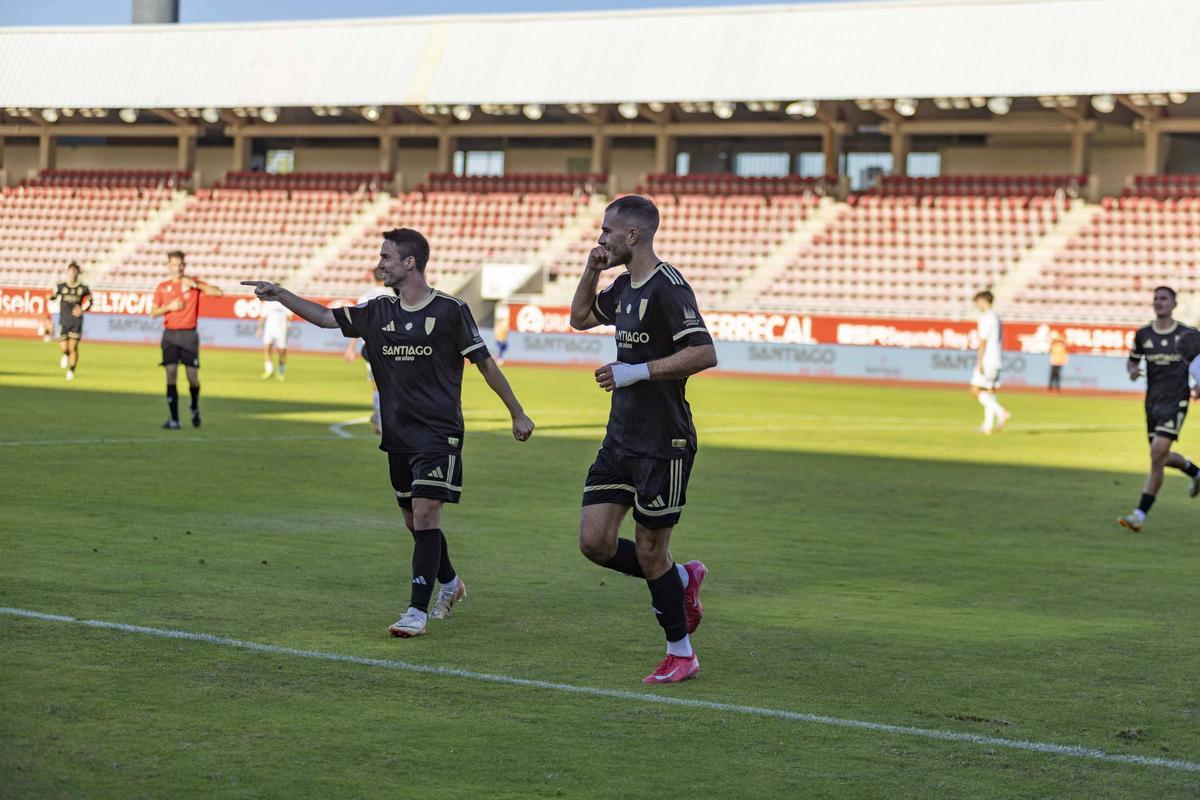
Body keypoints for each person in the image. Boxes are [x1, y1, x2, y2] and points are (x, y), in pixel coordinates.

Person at [243, 228, 535, 637]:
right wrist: (281, 294)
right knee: (414, 524)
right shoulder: (378, 311)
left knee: (426, 513)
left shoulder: (451, 311)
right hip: (399, 436)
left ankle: (415, 613)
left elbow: (485, 363)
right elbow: (328, 318)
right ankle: (451, 583)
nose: (379, 264)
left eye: (385, 257)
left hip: (439, 434)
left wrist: (517, 413)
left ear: (409, 262)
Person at [569, 195, 718, 685]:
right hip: (620, 440)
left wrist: (634, 372)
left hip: (664, 443)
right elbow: (581, 317)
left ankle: (681, 653)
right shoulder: (622, 286)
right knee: (595, 542)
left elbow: (703, 353)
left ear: (633, 235)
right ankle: (681, 579)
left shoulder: (669, 288)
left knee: (652, 550)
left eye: (608, 231)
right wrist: (592, 268)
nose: (601, 238)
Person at [1118, 287, 1200, 532]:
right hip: (1153, 402)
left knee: (1157, 453)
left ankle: (1139, 514)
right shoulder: (1143, 334)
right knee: (1160, 458)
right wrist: (1132, 371)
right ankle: (1195, 472)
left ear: (1174, 303)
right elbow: (1133, 360)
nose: (1158, 302)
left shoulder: (1188, 335)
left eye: (1164, 298)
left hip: (1177, 401)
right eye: (1155, 299)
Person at [150, 251, 223, 429]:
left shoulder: (192, 283)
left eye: (181, 264)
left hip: (189, 335)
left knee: (192, 378)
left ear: (184, 265)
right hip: (170, 335)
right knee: (171, 374)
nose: (178, 268)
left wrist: (196, 284)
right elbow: (153, 312)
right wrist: (169, 307)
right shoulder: (162, 287)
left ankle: (194, 406)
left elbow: (218, 293)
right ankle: (174, 420)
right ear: (169, 266)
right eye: (175, 264)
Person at [345, 275, 395, 434]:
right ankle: (389, 418)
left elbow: (356, 325)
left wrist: (351, 348)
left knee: (376, 386)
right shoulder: (394, 295)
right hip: (393, 347)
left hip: (371, 346)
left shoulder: (365, 297)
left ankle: (380, 419)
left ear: (373, 279)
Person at [971, 290, 1010, 434]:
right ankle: (987, 426)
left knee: (975, 390)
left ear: (983, 301)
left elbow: (983, 341)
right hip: (997, 359)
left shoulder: (986, 318)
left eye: (978, 302)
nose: (977, 305)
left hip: (988, 360)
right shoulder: (996, 317)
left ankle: (1001, 412)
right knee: (989, 392)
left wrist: (980, 362)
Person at [48, 262, 92, 381]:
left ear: (78, 273)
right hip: (64, 320)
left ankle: (71, 370)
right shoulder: (61, 286)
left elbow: (90, 301)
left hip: (76, 321)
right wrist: (50, 297)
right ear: (67, 272)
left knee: (73, 347)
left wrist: (82, 309)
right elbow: (54, 296)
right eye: (70, 271)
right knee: (64, 347)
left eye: (74, 271)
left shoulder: (83, 288)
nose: (72, 273)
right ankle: (65, 355)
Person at [256, 297, 293, 380]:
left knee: (282, 352)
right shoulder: (267, 303)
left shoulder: (285, 302)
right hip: (269, 330)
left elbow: (289, 315)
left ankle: (281, 370)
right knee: (267, 349)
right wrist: (259, 328)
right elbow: (263, 316)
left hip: (281, 330)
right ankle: (269, 370)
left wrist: (288, 325)